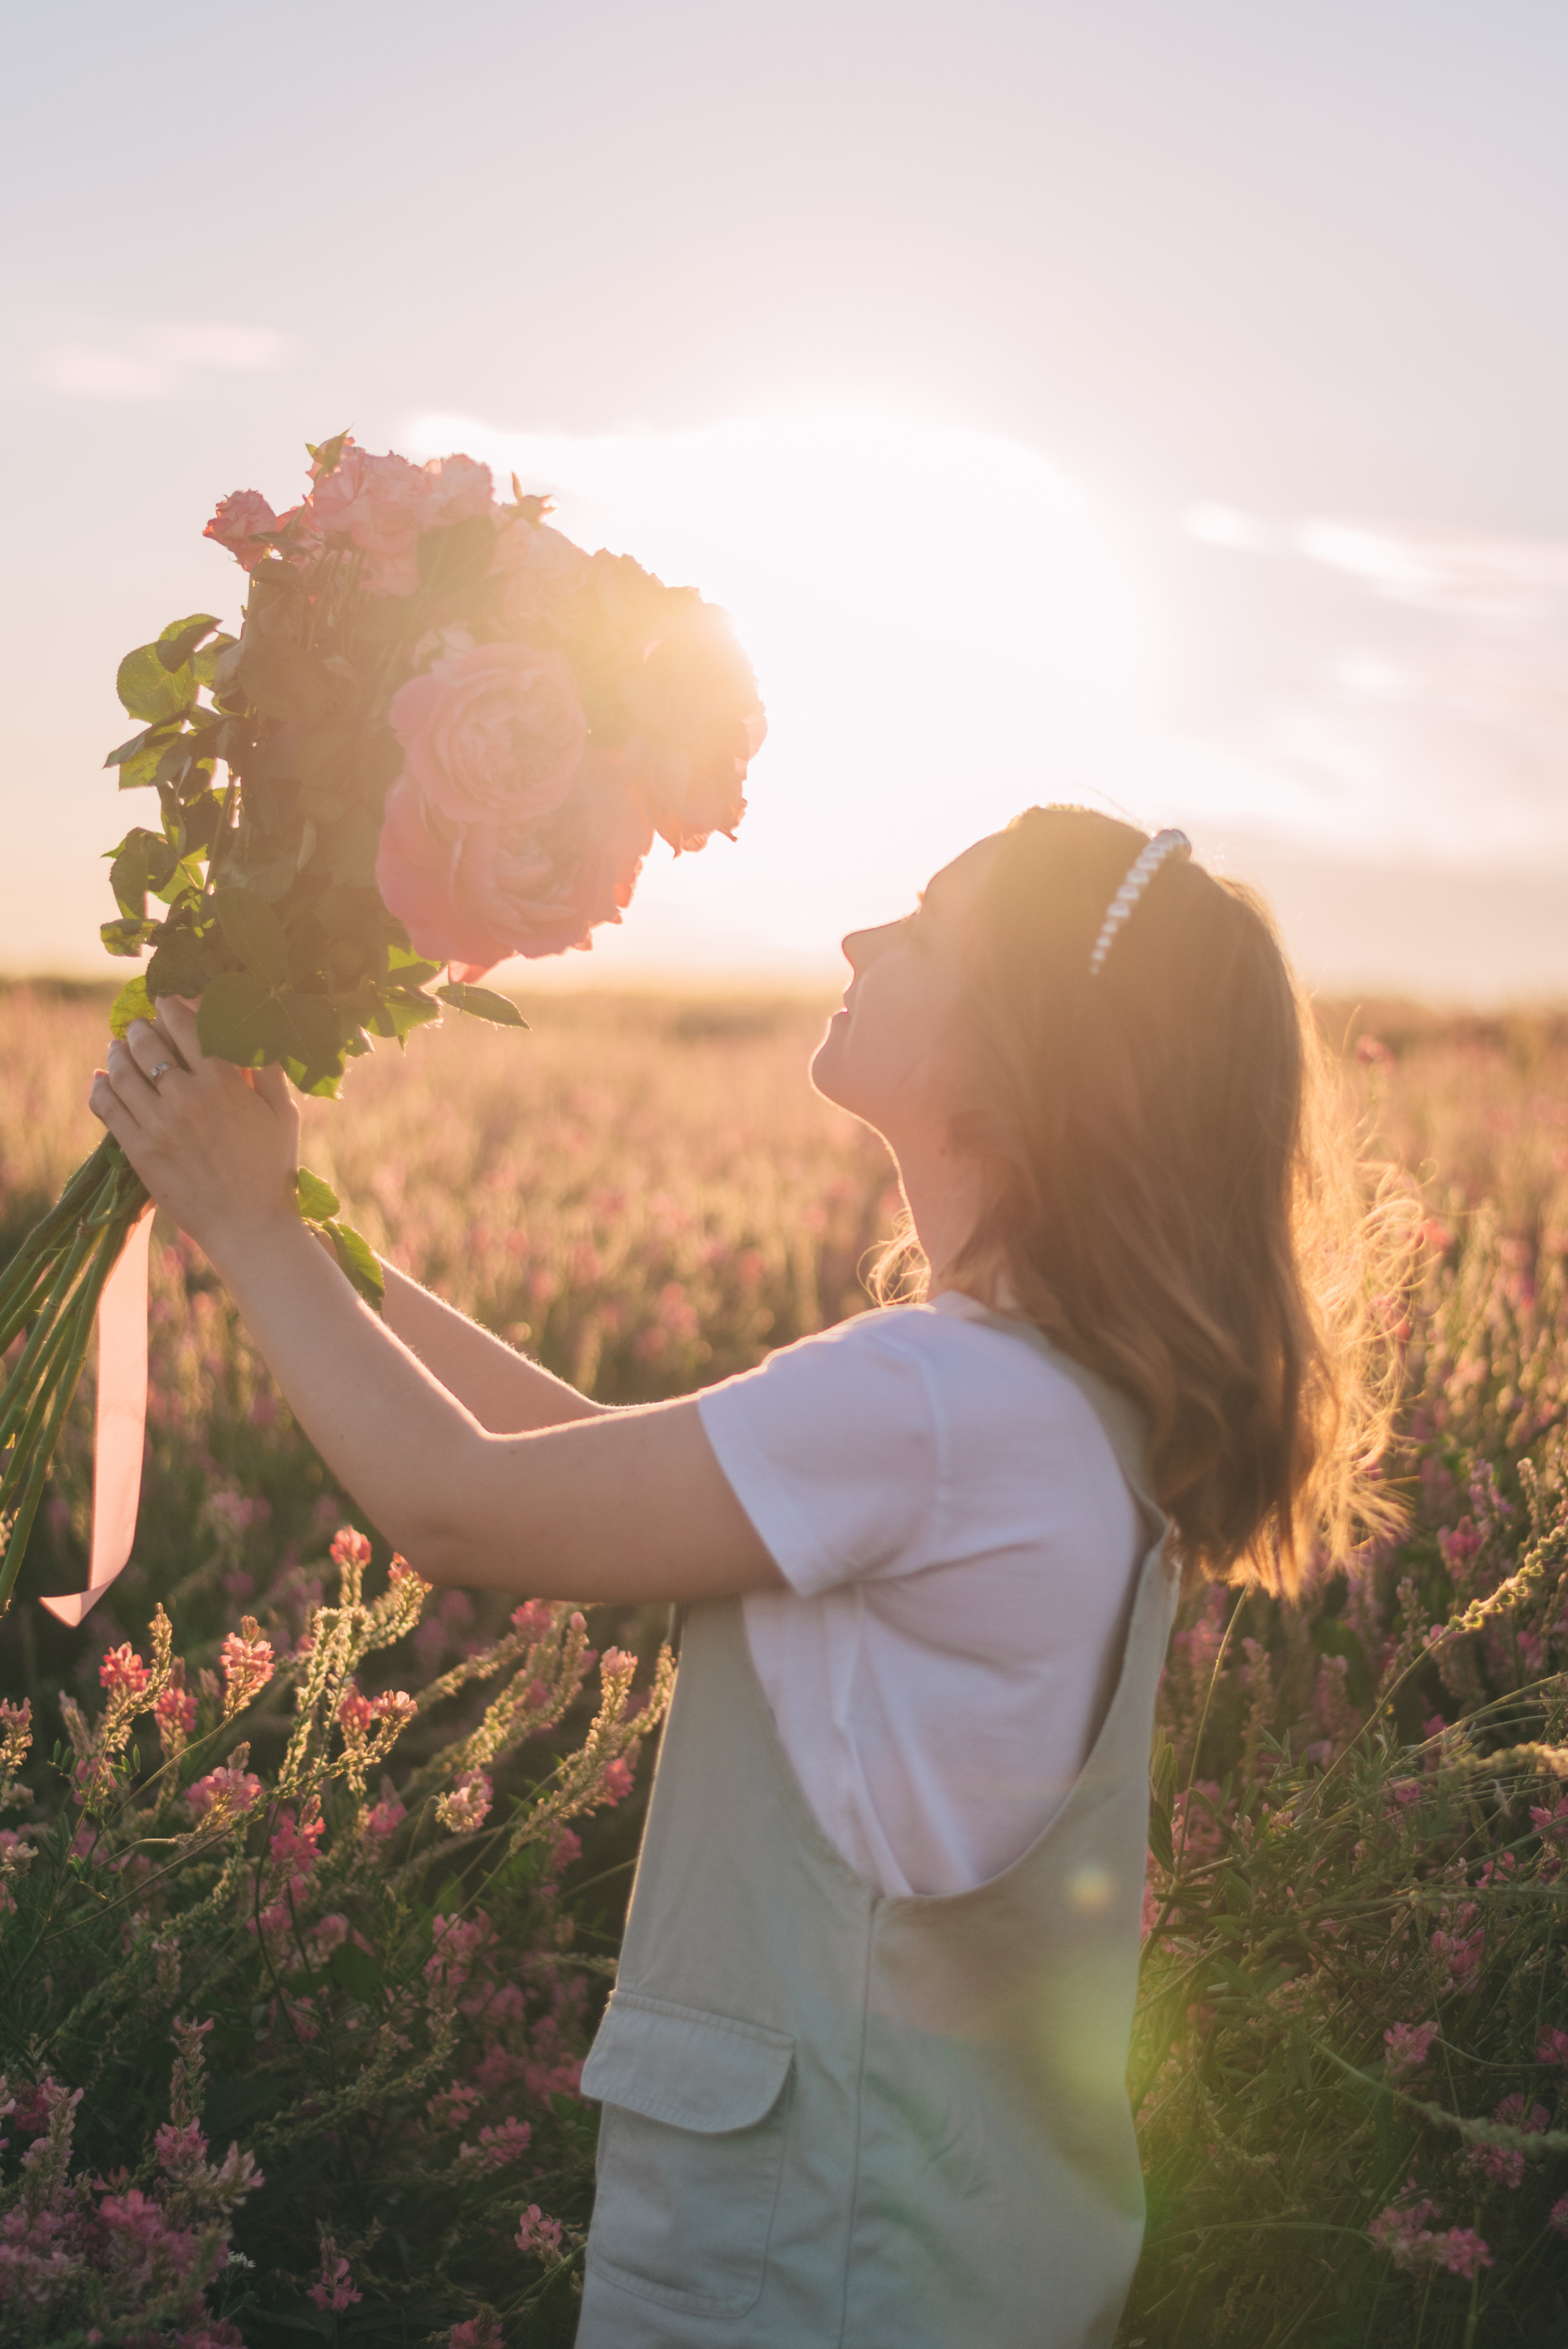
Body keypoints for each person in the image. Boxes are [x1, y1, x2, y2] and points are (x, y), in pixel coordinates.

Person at [89, 806, 1396, 2349]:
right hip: (926, 2258)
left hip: (807, 2271)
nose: (857, 939)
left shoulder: (934, 1400)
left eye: (920, 923)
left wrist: (248, 1227)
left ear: (1026, 1044)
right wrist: (290, 1230)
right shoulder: (1046, 1398)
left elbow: (461, 1509)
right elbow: (581, 1458)